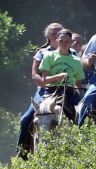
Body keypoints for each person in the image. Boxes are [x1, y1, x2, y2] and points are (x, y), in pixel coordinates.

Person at [15, 22, 64, 155]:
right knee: (26, 119)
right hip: (44, 90)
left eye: (60, 32)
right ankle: (22, 151)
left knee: (85, 111)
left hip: (67, 90)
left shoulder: (71, 52)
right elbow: (35, 75)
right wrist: (48, 82)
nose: (57, 35)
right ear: (48, 36)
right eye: (53, 33)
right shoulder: (42, 53)